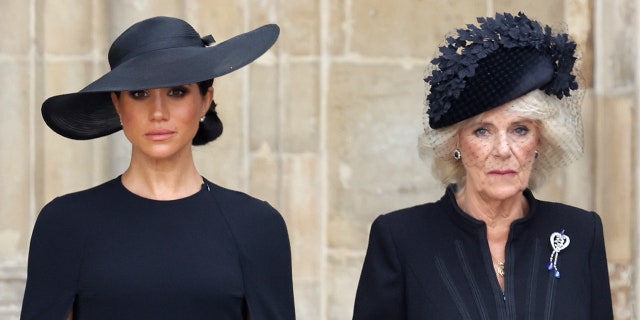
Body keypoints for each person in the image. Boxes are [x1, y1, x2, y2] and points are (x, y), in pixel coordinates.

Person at [21, 16, 295, 320]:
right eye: (139, 93)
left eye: (177, 91)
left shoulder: (256, 226)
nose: (158, 112)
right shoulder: (65, 224)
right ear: (118, 104)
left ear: (206, 101)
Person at [352, 12, 613, 319]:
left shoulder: (582, 233)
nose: (503, 150)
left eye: (520, 130)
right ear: (456, 144)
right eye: (482, 131)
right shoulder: (400, 239)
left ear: (540, 141)